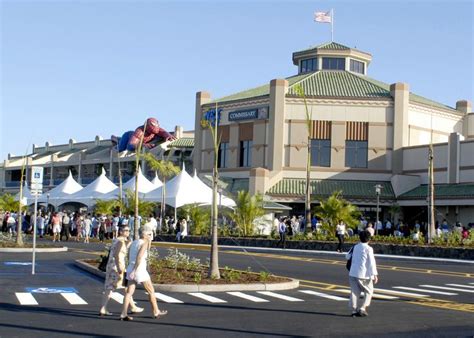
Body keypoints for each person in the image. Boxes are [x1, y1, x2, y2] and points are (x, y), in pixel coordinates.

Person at [120, 226, 167, 321]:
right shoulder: (144, 243)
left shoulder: (134, 242)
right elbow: (139, 257)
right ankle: (156, 311)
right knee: (151, 291)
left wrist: (131, 268)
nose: (150, 236)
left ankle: (123, 313)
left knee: (129, 293)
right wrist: (135, 269)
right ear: (144, 234)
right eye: (149, 234)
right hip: (139, 270)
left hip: (130, 268)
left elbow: (129, 255)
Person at [99, 226, 143, 316]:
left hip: (110, 266)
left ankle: (104, 308)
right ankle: (133, 307)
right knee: (126, 286)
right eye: (125, 230)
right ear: (121, 232)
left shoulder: (116, 240)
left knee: (111, 287)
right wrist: (119, 267)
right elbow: (117, 254)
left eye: (128, 230)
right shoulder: (120, 241)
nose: (127, 232)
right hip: (118, 266)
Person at [346, 230, 378, 317]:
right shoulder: (369, 249)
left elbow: (347, 256)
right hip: (364, 275)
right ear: (369, 239)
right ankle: (363, 308)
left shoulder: (355, 247)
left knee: (354, 292)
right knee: (369, 290)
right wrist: (374, 274)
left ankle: (353, 310)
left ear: (359, 238)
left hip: (352, 273)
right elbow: (372, 262)